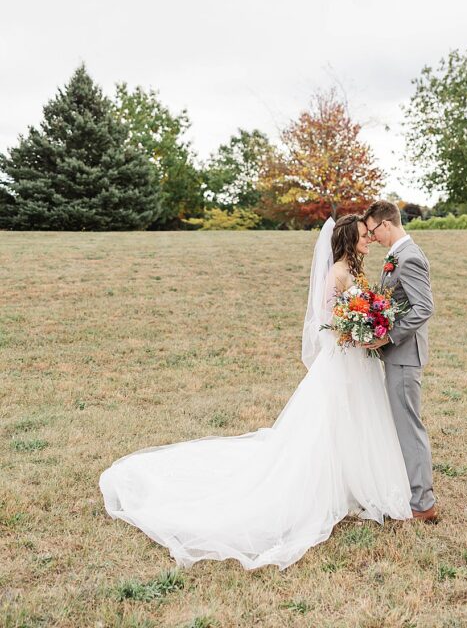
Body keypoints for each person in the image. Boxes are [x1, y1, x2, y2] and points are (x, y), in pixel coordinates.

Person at [99, 215, 412, 571]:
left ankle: (356, 482)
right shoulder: (337, 273)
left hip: (359, 360)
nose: (369, 240)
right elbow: (327, 322)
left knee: (358, 419)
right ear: (346, 241)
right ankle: (332, 485)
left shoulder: (353, 271)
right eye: (362, 237)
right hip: (343, 362)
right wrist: (356, 331)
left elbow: (355, 312)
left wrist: (369, 326)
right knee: (331, 422)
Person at [362, 200, 437, 522]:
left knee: (409, 427)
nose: (372, 236)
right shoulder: (395, 256)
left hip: (405, 357)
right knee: (400, 424)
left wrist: (389, 337)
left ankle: (423, 504)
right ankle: (409, 490)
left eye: (373, 230)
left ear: (386, 224)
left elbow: (424, 307)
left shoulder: (409, 258)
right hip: (396, 356)